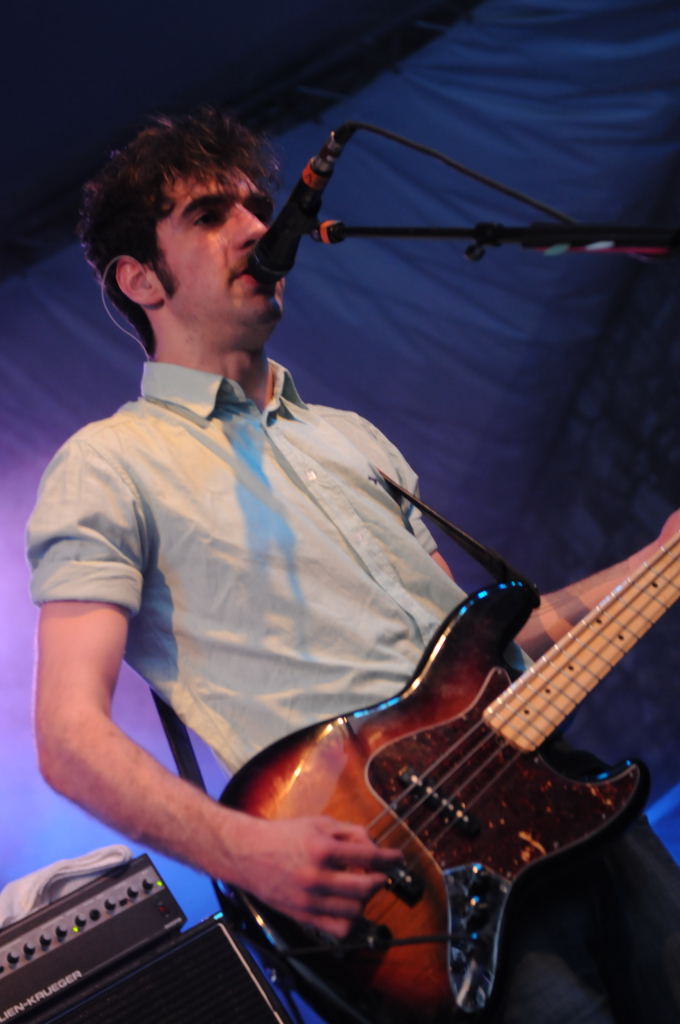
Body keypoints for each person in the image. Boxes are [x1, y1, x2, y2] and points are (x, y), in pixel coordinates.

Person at [27, 108, 679, 1022]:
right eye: (210, 215)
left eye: (257, 208)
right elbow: (67, 737)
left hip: (558, 802)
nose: (255, 228)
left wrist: (660, 559)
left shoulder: (351, 439)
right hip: (414, 897)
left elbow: (486, 649)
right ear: (140, 279)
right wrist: (244, 852)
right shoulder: (109, 465)